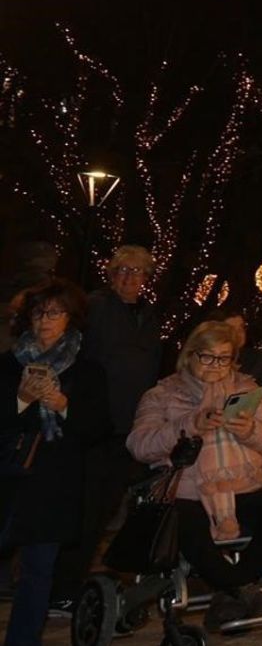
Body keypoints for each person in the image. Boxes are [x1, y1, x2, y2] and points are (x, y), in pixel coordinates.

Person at [128, 320, 262, 630]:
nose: (215, 366)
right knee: (187, 521)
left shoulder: (245, 389)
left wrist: (250, 431)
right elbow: (139, 445)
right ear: (189, 355)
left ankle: (230, 591)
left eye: (224, 358)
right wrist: (188, 426)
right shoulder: (163, 394)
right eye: (207, 356)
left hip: (239, 485)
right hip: (186, 490)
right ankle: (239, 589)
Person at [52, 244, 165, 610]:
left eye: (137, 272)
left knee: (117, 508)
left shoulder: (149, 316)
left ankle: (103, 581)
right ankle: (63, 587)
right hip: (97, 427)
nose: (129, 278)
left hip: (132, 429)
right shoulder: (96, 308)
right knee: (87, 510)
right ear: (111, 273)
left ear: (147, 278)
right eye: (122, 270)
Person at [2, 279, 107, 646]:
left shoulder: (88, 370)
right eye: (38, 312)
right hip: (8, 479)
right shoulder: (8, 363)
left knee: (38, 573)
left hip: (53, 484)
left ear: (71, 319)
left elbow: (98, 427)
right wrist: (22, 400)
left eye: (54, 312)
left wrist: (63, 405)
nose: (44, 320)